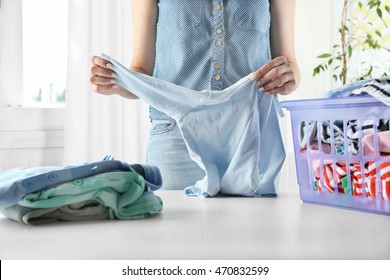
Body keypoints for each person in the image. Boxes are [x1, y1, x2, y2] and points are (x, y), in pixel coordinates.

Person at [90, 0, 300, 190]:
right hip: (175, 142)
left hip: (251, 138)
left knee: (252, 230)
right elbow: (142, 69)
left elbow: (289, 63)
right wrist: (117, 83)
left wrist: (288, 79)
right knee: (175, 230)